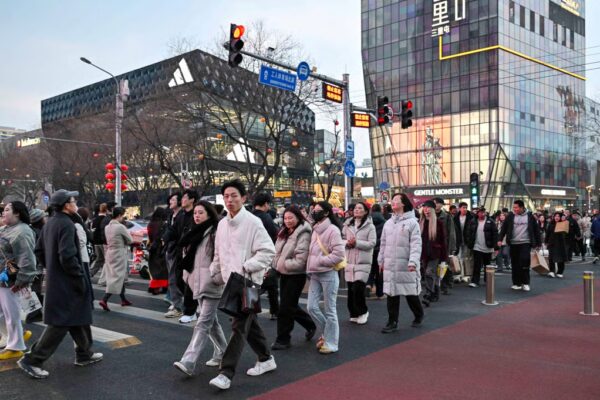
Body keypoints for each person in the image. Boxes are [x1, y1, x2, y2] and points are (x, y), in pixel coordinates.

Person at [19, 190, 101, 379]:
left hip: (58, 278)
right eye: (73, 200)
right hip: (69, 280)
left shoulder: (50, 224)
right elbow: (67, 256)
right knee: (61, 322)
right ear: (66, 205)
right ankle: (33, 360)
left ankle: (85, 353)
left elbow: (39, 250)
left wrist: (52, 267)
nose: (75, 203)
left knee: (79, 315)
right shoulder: (66, 224)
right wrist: (78, 276)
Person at [208, 180, 276, 390]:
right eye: (226, 196)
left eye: (234, 195)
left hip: (250, 283)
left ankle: (226, 373)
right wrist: (215, 270)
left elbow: (268, 251)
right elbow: (219, 252)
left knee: (239, 326)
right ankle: (266, 359)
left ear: (244, 198)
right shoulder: (221, 224)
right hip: (231, 283)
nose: (229, 200)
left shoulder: (253, 222)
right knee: (248, 324)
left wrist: (247, 266)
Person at [173, 201, 227, 377]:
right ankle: (224, 352)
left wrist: (216, 277)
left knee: (203, 322)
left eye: (201, 213)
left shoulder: (216, 231)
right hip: (196, 282)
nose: (196, 216)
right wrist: (187, 277)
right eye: (195, 213)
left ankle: (189, 360)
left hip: (212, 283)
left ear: (209, 214)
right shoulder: (194, 232)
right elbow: (187, 257)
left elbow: (223, 258)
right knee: (212, 322)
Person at [270, 205, 316, 350]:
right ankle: (310, 325)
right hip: (283, 273)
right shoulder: (284, 231)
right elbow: (276, 252)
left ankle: (283, 339)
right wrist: (276, 264)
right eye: (285, 218)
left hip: (296, 275)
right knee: (289, 305)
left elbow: (300, 260)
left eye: (291, 218)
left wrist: (282, 264)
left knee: (285, 308)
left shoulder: (304, 232)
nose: (288, 220)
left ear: (298, 217)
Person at [379, 193, 424, 333]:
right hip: (391, 265)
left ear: (403, 203)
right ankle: (392, 322)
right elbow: (383, 244)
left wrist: (413, 262)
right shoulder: (388, 223)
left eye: (395, 200)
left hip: (406, 264)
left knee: (410, 293)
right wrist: (381, 260)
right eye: (392, 201)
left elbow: (416, 245)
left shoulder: (412, 223)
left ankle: (419, 314)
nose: (392, 203)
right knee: (392, 293)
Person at [306, 201, 344, 354]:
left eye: (318, 210)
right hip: (315, 274)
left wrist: (320, 261)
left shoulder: (333, 230)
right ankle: (326, 333)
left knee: (330, 310)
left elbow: (339, 255)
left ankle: (332, 343)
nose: (314, 212)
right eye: (313, 210)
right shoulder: (315, 230)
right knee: (311, 307)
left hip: (328, 273)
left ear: (327, 213)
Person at [0, 201, 36, 360]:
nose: (3, 212)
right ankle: (14, 337)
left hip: (12, 280)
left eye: (7, 210)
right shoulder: (7, 229)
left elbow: (27, 260)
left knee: (11, 313)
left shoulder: (22, 232)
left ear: (17, 213)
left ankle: (16, 346)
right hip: (3, 278)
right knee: (6, 313)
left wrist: (21, 281)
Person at [342, 202, 376, 324]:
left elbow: (372, 243)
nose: (356, 210)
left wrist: (357, 243)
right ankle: (353, 313)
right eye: (355, 208)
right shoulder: (347, 224)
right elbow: (340, 240)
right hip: (349, 261)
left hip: (363, 262)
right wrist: (347, 243)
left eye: (360, 208)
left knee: (358, 288)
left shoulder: (370, 226)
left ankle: (363, 311)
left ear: (366, 211)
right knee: (351, 289)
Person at [498, 200, 541, 292]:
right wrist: (500, 240)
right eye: (514, 208)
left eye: (516, 207)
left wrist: (538, 243)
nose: (515, 209)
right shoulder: (510, 216)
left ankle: (525, 283)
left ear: (522, 207)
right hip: (513, 243)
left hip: (525, 243)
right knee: (515, 264)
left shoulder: (530, 217)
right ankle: (516, 283)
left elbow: (536, 230)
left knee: (525, 261)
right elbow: (504, 228)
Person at [172, 190, 200, 324]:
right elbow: (173, 230)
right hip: (180, 252)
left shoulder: (196, 214)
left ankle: (191, 311)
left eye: (184, 197)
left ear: (192, 200)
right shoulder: (181, 215)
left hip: (192, 253)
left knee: (190, 282)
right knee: (179, 280)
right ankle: (195, 304)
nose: (181, 200)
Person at [98, 207, 133, 311]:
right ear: (119, 215)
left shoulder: (107, 227)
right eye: (122, 216)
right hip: (119, 253)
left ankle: (123, 299)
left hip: (110, 252)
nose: (123, 218)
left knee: (117, 275)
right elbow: (130, 240)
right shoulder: (120, 227)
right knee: (117, 277)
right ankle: (104, 299)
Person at [253, 193, 279, 320]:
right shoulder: (266, 217)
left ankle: (251, 309)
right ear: (266, 204)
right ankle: (274, 311)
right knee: (272, 286)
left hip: (251, 255)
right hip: (266, 255)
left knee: (253, 284)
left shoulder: (249, 216)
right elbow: (274, 234)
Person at [419, 200, 447, 307]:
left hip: (435, 253)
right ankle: (435, 292)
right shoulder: (420, 222)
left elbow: (443, 240)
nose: (426, 210)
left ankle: (428, 294)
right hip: (423, 253)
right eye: (424, 208)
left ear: (432, 210)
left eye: (428, 208)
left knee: (429, 272)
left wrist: (444, 258)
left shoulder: (438, 223)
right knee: (429, 274)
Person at [464, 207, 498, 287]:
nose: (482, 214)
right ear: (477, 213)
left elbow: (495, 233)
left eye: (484, 212)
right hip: (477, 246)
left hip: (488, 246)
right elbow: (468, 232)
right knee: (477, 264)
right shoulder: (473, 221)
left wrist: (495, 246)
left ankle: (488, 280)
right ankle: (475, 281)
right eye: (480, 212)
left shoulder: (490, 221)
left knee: (487, 264)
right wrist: (469, 242)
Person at [162, 192, 183, 318]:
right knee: (172, 278)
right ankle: (176, 302)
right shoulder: (171, 216)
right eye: (170, 200)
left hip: (177, 250)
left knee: (174, 279)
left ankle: (178, 306)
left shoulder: (182, 216)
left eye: (173, 200)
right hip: (169, 249)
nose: (170, 201)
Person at [432, 198, 456, 295]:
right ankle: (434, 287)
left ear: (442, 205)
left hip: (444, 246)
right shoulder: (429, 215)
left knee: (443, 267)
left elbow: (451, 233)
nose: (436, 205)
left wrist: (451, 248)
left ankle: (444, 286)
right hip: (432, 246)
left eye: (437, 203)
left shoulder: (446, 216)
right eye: (434, 203)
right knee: (433, 268)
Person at [147, 207, 169, 295]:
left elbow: (150, 237)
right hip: (161, 248)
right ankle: (164, 287)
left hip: (153, 248)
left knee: (154, 269)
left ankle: (154, 286)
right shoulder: (163, 224)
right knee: (163, 269)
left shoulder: (150, 224)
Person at [367, 203, 386, 299]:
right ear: (381, 210)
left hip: (369, 249)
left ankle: (368, 285)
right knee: (379, 272)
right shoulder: (384, 222)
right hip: (380, 250)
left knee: (370, 269)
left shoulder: (367, 222)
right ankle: (380, 293)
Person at [454, 202, 474, 282]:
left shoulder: (471, 217)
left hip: (467, 240)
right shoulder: (455, 217)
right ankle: (459, 274)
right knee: (458, 258)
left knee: (466, 258)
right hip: (458, 241)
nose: (465, 209)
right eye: (463, 207)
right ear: (459, 208)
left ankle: (467, 275)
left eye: (466, 207)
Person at [545, 212, 568, 278]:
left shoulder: (563, 224)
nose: (557, 217)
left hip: (561, 244)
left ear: (560, 217)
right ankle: (551, 271)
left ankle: (560, 272)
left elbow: (567, 234)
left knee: (561, 258)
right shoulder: (551, 224)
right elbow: (548, 234)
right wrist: (546, 241)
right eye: (555, 216)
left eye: (558, 216)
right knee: (551, 258)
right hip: (552, 243)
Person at [89, 203, 108, 278]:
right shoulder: (106, 220)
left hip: (96, 242)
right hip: (103, 242)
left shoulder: (94, 220)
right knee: (107, 261)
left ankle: (91, 273)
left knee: (99, 259)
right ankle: (103, 278)